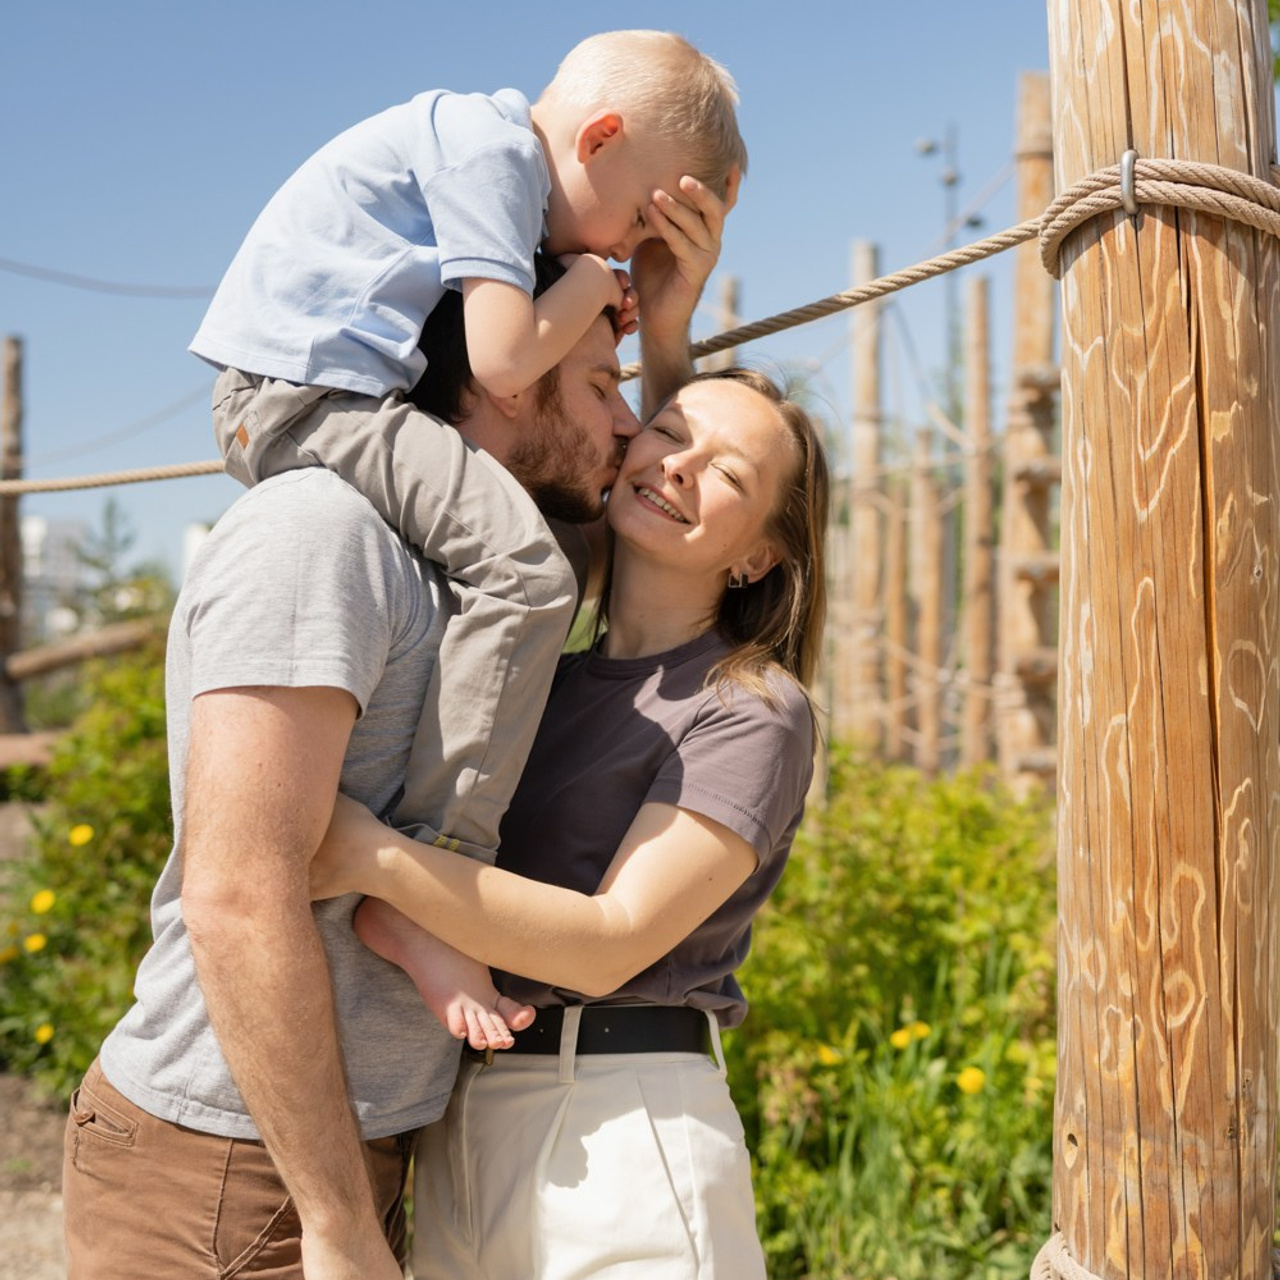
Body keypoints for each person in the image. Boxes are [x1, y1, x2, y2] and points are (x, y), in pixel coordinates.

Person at [61, 167, 731, 1280]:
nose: (627, 429)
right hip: (232, 1166)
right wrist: (331, 1218)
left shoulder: (478, 573)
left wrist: (665, 331)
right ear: (510, 384)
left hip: (335, 1148)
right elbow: (238, 892)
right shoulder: (323, 536)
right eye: (605, 389)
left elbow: (689, 539)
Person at [188, 34, 748, 930]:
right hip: (305, 399)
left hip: (311, 394)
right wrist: (594, 282)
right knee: (527, 574)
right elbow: (504, 363)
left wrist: (643, 308)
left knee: (527, 556)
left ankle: (428, 871)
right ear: (598, 141)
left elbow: (652, 541)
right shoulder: (493, 157)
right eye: (642, 220)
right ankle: (436, 878)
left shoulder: (485, 161)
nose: (632, 245)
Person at [309, 360, 830, 1279]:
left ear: (759, 556)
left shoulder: (750, 707)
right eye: (668, 432)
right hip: (464, 1115)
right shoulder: (543, 674)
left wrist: (371, 859)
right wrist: (670, 327)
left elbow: (605, 944)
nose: (678, 465)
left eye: (731, 475)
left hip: (623, 1125)